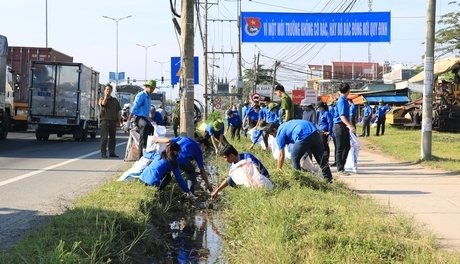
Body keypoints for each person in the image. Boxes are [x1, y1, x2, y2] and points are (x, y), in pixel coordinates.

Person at [265, 120, 333, 183]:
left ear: (274, 130)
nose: (273, 137)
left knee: (295, 159)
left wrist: (278, 169)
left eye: (272, 134)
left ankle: (298, 180)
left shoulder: (279, 133)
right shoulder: (285, 125)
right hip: (314, 132)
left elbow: (281, 155)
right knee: (320, 158)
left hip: (303, 135)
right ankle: (329, 179)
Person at [128, 79, 156, 160]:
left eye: (153, 89)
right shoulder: (141, 95)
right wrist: (129, 120)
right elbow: (134, 108)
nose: (152, 90)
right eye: (151, 88)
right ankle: (140, 157)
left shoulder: (149, 97)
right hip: (138, 118)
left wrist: (151, 121)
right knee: (144, 127)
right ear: (147, 87)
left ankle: (144, 151)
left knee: (147, 133)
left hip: (145, 118)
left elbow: (145, 112)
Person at [333, 83, 355, 176]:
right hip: (339, 126)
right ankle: (340, 169)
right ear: (348, 90)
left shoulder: (345, 100)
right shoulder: (341, 101)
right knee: (340, 148)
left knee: (346, 147)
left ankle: (342, 166)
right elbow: (342, 116)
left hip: (344, 126)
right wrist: (350, 125)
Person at [98, 84, 122, 158]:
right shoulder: (102, 99)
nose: (108, 91)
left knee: (113, 138)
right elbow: (103, 104)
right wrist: (106, 96)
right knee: (104, 138)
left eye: (109, 89)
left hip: (113, 121)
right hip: (105, 121)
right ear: (104, 90)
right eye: (107, 89)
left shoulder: (114, 100)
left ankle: (112, 152)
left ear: (111, 91)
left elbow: (117, 111)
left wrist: (119, 120)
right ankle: (103, 152)